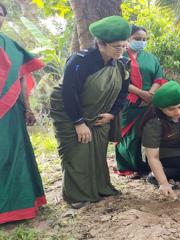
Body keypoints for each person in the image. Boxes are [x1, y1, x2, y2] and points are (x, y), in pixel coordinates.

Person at [50, 16, 131, 208]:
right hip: (70, 112)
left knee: (98, 153)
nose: (120, 49)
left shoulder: (121, 64)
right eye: (116, 46)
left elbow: (123, 92)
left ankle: (99, 188)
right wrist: (79, 123)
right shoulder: (80, 61)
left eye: (123, 45)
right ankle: (77, 196)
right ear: (100, 44)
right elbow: (69, 93)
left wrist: (112, 114)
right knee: (78, 154)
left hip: (100, 115)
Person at [0, 2, 46, 224]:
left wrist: (28, 108)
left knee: (14, 155)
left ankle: (19, 207)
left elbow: (21, 79)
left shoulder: (12, 46)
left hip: (11, 112)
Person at [114, 25, 167, 179]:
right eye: (137, 39)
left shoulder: (151, 58)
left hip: (150, 101)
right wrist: (141, 93)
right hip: (127, 102)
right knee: (127, 136)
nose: (142, 42)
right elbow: (119, 79)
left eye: (144, 39)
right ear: (128, 39)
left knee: (145, 134)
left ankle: (144, 166)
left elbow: (159, 77)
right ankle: (127, 166)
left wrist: (151, 93)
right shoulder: (120, 57)